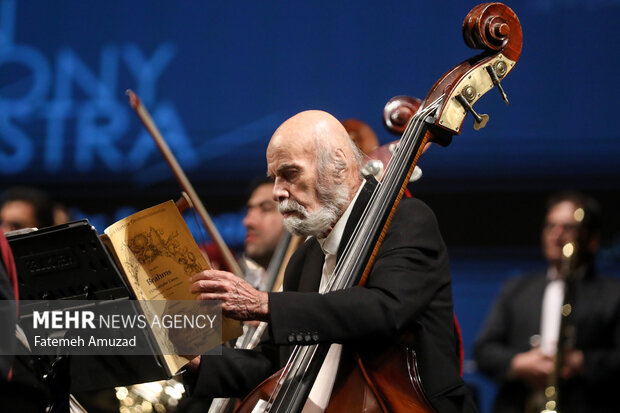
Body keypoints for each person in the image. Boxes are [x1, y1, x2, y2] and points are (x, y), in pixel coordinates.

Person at [185, 110, 476, 412]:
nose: (277, 192)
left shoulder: (406, 220)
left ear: (338, 163)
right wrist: (198, 360)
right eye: (275, 178)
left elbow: (385, 310)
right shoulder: (304, 259)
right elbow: (273, 363)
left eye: (290, 174)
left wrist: (265, 304)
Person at [473, 192, 620, 413]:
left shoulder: (613, 293)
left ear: (592, 239)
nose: (556, 235)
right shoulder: (517, 289)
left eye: (568, 228)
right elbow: (484, 350)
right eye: (550, 226)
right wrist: (519, 363)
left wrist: (582, 362)